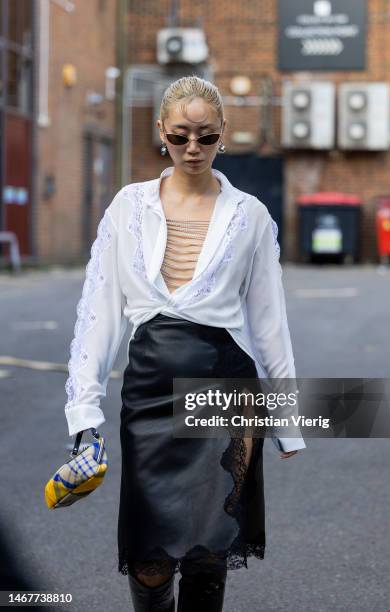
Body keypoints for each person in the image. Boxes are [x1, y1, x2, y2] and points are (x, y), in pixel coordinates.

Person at [63, 75, 306, 612]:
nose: (192, 149)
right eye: (180, 136)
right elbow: (98, 314)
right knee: (149, 560)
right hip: (148, 392)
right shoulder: (128, 207)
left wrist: (286, 423)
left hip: (227, 391)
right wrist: (83, 410)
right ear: (161, 133)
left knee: (207, 553)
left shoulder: (251, 216)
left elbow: (270, 325)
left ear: (224, 134)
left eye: (206, 136)